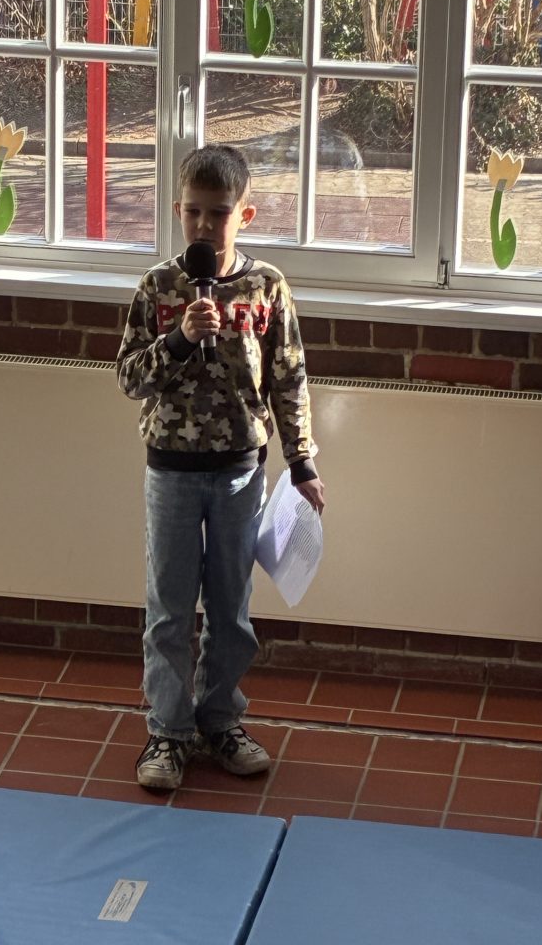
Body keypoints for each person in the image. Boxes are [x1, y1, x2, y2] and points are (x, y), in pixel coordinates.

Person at [116, 144, 325, 791]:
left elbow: (288, 378)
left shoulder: (267, 287)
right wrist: (179, 338)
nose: (205, 225)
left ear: (245, 214)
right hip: (172, 472)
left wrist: (302, 462)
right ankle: (168, 732)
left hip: (240, 473)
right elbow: (129, 378)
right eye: (194, 212)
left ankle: (220, 722)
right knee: (170, 609)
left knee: (231, 609)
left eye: (219, 212)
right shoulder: (158, 286)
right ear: (177, 211)